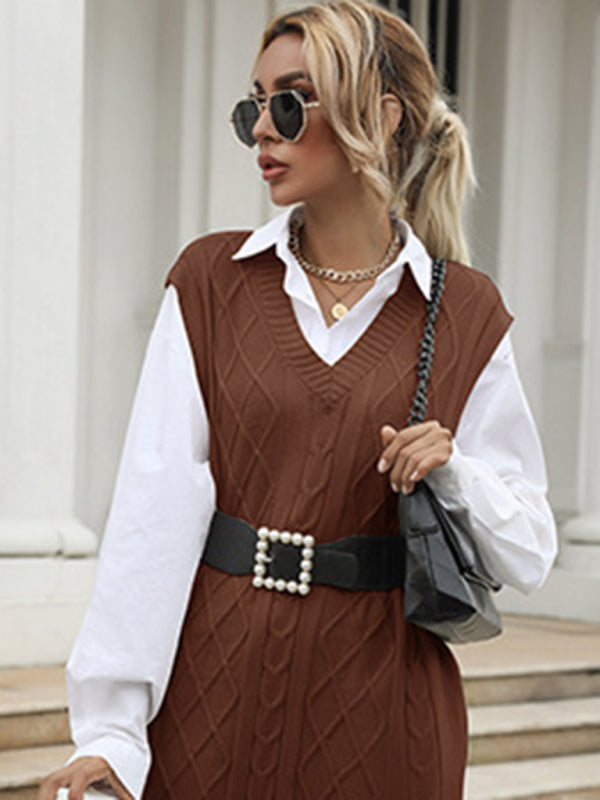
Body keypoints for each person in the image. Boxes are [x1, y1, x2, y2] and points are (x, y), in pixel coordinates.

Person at [39, 1, 557, 798]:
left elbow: (530, 550)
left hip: (387, 710)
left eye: (291, 102)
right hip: (213, 687)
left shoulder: (465, 313)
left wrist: (453, 470)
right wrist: (111, 731)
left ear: (382, 116)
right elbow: (154, 513)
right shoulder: (211, 283)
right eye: (254, 105)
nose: (261, 129)